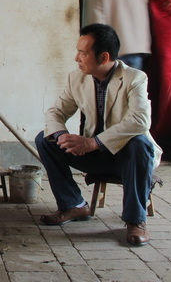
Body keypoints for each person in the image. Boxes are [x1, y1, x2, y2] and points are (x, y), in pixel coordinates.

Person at [35, 23, 162, 246]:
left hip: (126, 158)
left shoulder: (134, 78)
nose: (76, 58)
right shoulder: (77, 78)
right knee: (45, 139)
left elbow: (140, 120)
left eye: (83, 53)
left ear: (103, 57)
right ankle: (73, 205)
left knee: (139, 143)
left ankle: (135, 221)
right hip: (93, 156)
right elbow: (55, 112)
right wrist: (61, 134)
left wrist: (93, 143)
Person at [86, 0, 151, 70]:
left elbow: (97, 26)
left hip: (115, 52)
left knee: (115, 82)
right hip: (138, 49)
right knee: (133, 81)